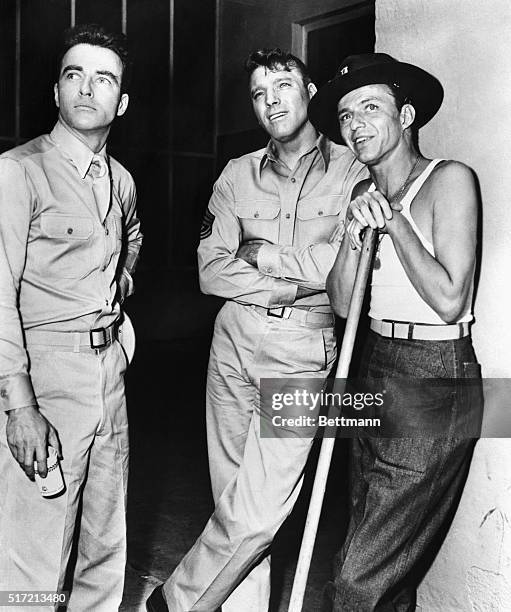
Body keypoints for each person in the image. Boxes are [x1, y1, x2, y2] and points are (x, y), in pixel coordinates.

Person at [146, 48, 366, 612]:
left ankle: (175, 601)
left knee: (259, 510)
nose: (272, 102)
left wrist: (266, 256)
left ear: (311, 92)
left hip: (302, 351)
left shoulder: (353, 172)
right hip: (231, 344)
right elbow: (210, 269)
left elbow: (347, 269)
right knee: (231, 500)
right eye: (259, 94)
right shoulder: (235, 172)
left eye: (284, 87)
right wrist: (293, 280)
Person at [307, 53, 481, 611]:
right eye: (344, 114)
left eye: (370, 107)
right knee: (374, 551)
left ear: (405, 115)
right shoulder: (360, 196)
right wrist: (358, 235)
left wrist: (396, 222)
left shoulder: (449, 179)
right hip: (375, 361)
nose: (355, 123)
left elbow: (451, 300)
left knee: (359, 577)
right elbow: (340, 301)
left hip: (435, 374)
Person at [0, 24, 142, 611]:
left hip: (109, 370)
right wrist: (20, 404)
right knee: (35, 551)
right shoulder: (18, 170)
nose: (87, 88)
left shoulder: (122, 180)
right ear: (55, 92)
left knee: (105, 541)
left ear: (122, 102)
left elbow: (129, 241)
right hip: (46, 373)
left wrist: (116, 287)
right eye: (73, 74)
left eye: (104, 78)